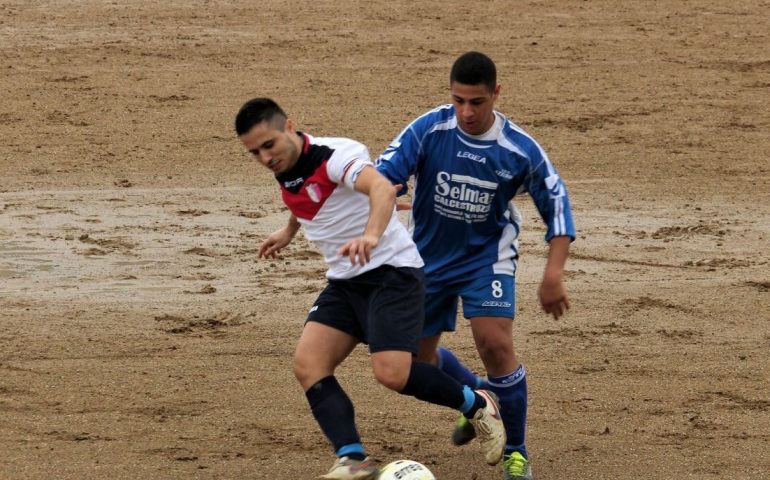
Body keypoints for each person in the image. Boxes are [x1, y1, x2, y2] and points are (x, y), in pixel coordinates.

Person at [235, 97, 507, 480]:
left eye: (269, 145)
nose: (265, 158)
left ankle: (478, 403)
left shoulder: (335, 156)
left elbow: (381, 190)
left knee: (393, 374)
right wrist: (289, 230)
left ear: (290, 127)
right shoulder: (286, 166)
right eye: (255, 153)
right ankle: (352, 458)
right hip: (346, 280)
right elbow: (306, 197)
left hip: (391, 273)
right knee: (308, 365)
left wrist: (371, 235)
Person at [375, 51, 576, 480]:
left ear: (496, 94)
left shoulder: (519, 150)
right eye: (458, 100)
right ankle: (478, 398)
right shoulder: (430, 128)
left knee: (495, 344)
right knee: (418, 364)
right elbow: (385, 172)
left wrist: (553, 273)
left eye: (477, 102)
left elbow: (557, 205)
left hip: (487, 258)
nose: (466, 112)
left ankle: (515, 452)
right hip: (425, 258)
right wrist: (387, 190)